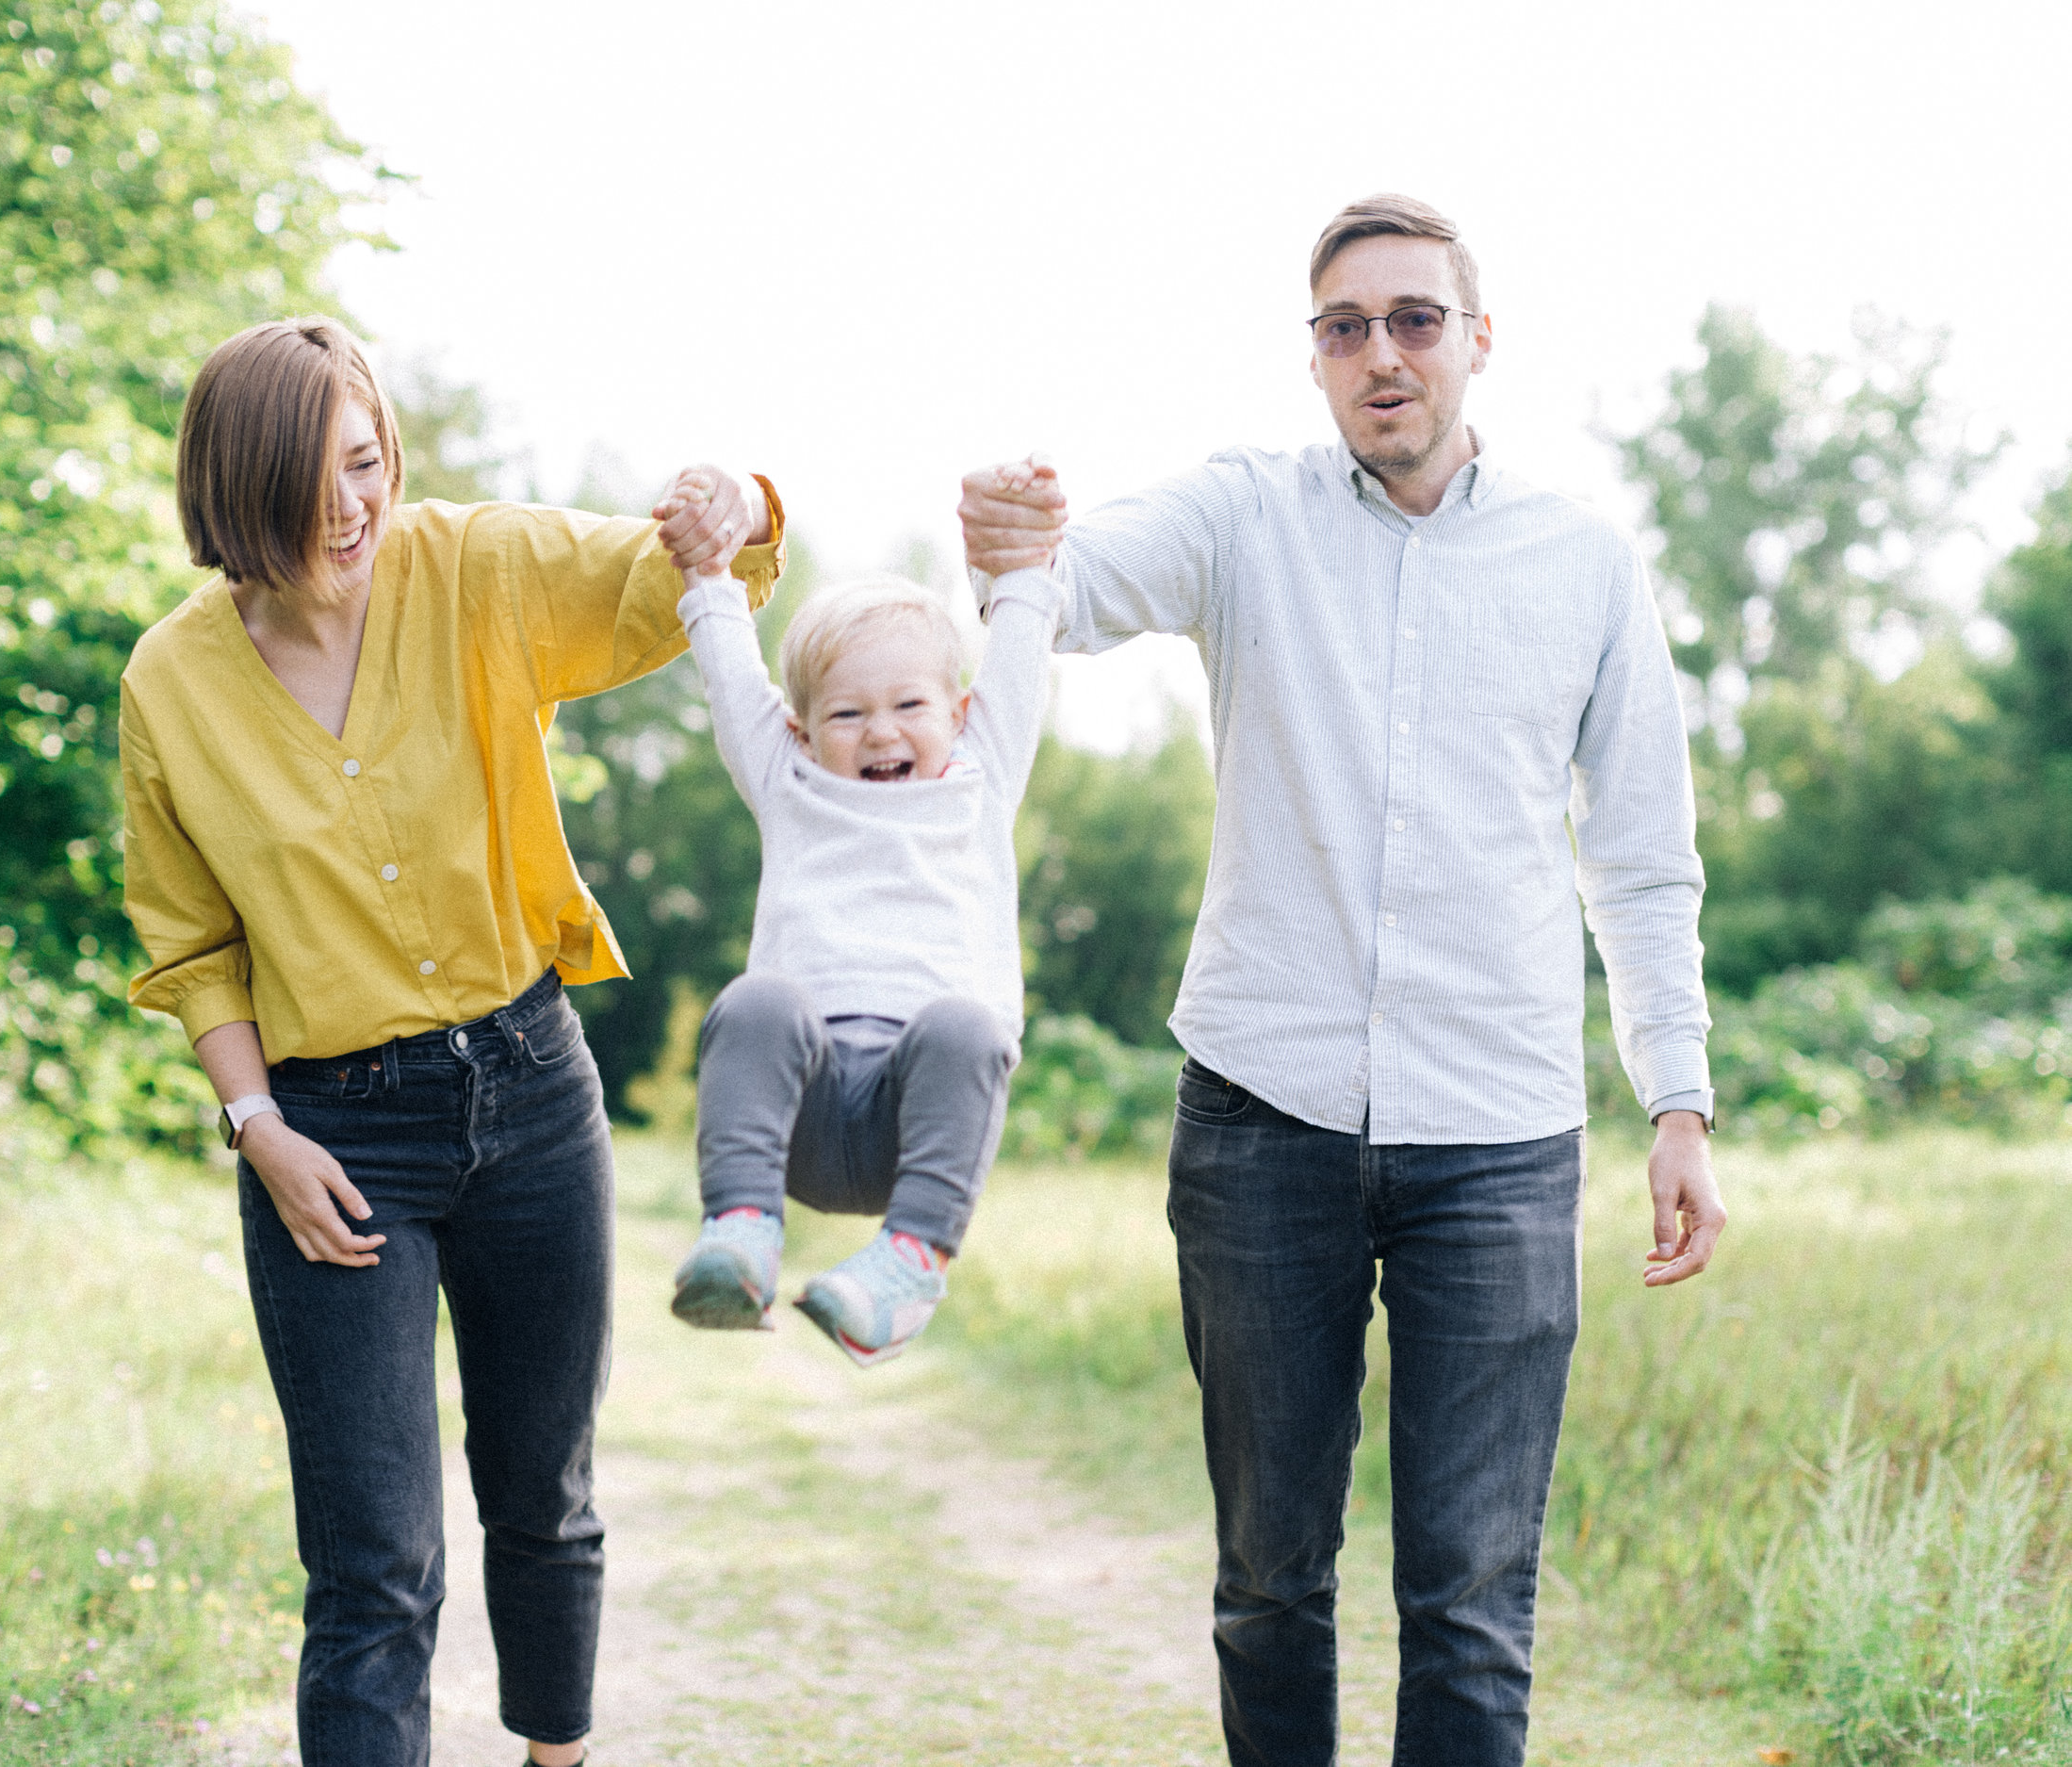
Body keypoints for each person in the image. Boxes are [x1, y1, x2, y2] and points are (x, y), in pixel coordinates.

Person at [956, 195, 1729, 1766]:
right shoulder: (1248, 516)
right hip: (1262, 1117)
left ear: (1478, 340)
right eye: (1345, 327)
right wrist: (1014, 541)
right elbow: (1072, 585)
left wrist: (1680, 1100)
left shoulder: (1584, 564)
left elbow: (1640, 857)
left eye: (1415, 319)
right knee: (1267, 1579)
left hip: (1499, 1136)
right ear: (1312, 358)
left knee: (1472, 1593)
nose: (1383, 353)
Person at [118, 316, 784, 1767]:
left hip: (532, 1092)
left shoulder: (472, 564)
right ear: (236, 493)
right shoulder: (170, 684)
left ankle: (558, 1754)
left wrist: (724, 505)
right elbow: (192, 942)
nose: (351, 505)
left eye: (367, 462)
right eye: (311, 480)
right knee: (371, 1560)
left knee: (543, 1492)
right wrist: (260, 1130)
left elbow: (663, 574)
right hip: (328, 1136)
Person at [661, 520, 1060, 1365]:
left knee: (967, 1026)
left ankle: (908, 1267)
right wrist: (706, 574)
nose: (881, 732)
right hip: (796, 1111)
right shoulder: (788, 778)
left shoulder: (980, 777)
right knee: (757, 1003)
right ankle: (739, 1235)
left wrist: (1024, 560)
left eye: (910, 706)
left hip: (914, 1120)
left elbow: (1022, 659)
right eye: (848, 713)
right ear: (802, 729)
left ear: (957, 713)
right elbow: (734, 679)